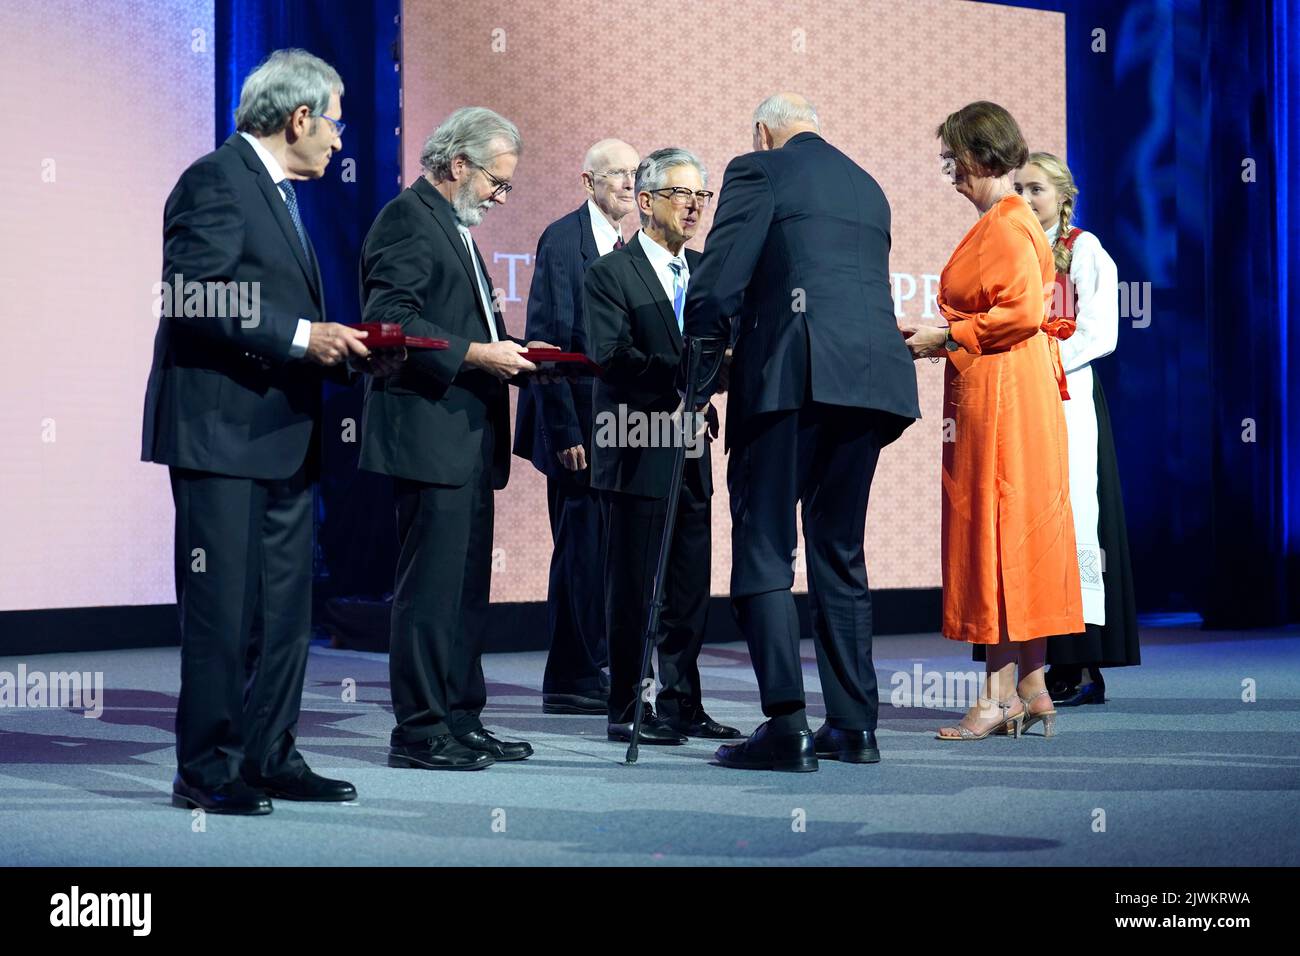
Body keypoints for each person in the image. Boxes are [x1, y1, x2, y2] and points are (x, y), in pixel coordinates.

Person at [143, 49, 382, 814]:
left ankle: (270, 752)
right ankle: (207, 768)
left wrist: (331, 344)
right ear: (300, 118)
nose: (340, 142)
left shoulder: (278, 195)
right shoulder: (215, 180)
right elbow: (190, 296)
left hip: (282, 434)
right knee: (223, 611)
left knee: (284, 612)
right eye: (335, 125)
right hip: (221, 435)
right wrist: (300, 336)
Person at [683, 94, 920, 772]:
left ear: (763, 132)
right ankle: (854, 726)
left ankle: (786, 728)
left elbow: (720, 281)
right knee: (840, 551)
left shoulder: (759, 170)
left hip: (792, 377)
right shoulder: (867, 184)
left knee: (763, 546)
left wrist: (696, 370)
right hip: (873, 381)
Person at [359, 107, 552, 771]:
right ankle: (418, 729)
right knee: (429, 591)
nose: (501, 198)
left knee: (467, 591)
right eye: (496, 183)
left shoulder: (460, 229)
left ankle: (461, 717)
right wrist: (478, 354)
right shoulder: (406, 218)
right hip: (426, 433)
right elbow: (391, 320)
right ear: (459, 164)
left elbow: (462, 328)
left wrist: (519, 354)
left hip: (468, 435)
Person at [901, 101, 1084, 741]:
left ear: (981, 157)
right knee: (1019, 531)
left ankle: (995, 694)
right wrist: (939, 335)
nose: (951, 174)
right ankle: (1032, 686)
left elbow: (1020, 314)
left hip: (1004, 397)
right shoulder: (1010, 220)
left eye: (954, 160)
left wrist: (944, 334)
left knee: (1000, 533)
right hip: (1009, 388)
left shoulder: (1007, 224)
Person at [585, 148, 741, 745]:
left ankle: (680, 702)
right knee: (633, 588)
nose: (695, 206)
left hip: (691, 447)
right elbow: (612, 358)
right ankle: (626, 708)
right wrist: (692, 368)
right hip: (634, 443)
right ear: (646, 202)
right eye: (682, 194)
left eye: (702, 196)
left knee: (686, 588)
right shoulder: (609, 274)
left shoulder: (704, 271)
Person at [513, 138, 641, 715]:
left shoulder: (629, 245)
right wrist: (564, 432)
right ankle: (569, 676)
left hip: (621, 427)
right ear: (588, 182)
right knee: (581, 551)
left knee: (609, 552)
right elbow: (547, 341)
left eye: (634, 174)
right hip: (577, 428)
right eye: (616, 174)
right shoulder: (565, 240)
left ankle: (598, 666)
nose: (628, 183)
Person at [1014, 151, 1140, 706]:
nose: (1025, 197)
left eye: (1036, 189)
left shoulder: (1085, 249)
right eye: (1018, 187)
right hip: (1019, 401)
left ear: (1064, 196)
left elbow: (1100, 331)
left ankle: (1082, 665)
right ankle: (1032, 666)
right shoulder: (1014, 248)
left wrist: (1045, 358)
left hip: (1068, 399)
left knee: (1076, 522)